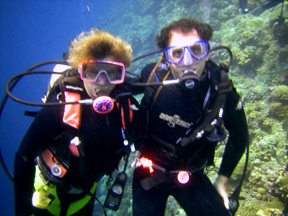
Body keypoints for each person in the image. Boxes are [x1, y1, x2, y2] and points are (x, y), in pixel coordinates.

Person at [14, 28, 142, 216]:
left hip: (85, 198)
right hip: (46, 197)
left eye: (111, 73)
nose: (102, 83)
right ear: (80, 70)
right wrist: (23, 212)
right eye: (93, 72)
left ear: (121, 74)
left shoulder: (125, 107)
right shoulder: (62, 106)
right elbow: (23, 157)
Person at [132, 18, 249, 216]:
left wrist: (223, 179)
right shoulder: (152, 76)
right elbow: (114, 89)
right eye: (177, 53)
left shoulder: (221, 91)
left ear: (208, 52)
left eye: (196, 50)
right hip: (147, 169)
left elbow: (240, 135)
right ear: (166, 58)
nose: (187, 61)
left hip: (191, 172)